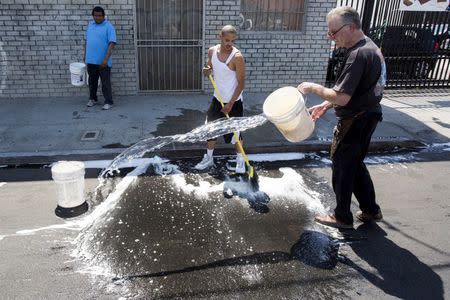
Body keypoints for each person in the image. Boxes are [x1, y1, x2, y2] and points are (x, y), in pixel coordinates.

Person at [298, 7, 386, 229]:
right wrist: (328, 104)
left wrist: (314, 88)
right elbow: (357, 90)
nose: (331, 37)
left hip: (355, 120)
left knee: (343, 167)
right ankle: (371, 210)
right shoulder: (370, 47)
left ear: (351, 27)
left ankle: (342, 216)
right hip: (368, 115)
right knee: (355, 165)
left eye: (333, 32)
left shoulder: (358, 54)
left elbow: (344, 97)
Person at [194, 25, 246, 174]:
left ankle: (240, 160)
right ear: (220, 37)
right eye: (227, 40)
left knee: (236, 134)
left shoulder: (237, 57)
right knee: (212, 130)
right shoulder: (212, 51)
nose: (230, 44)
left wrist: (230, 104)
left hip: (234, 102)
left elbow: (241, 83)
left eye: (233, 41)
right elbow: (209, 67)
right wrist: (206, 70)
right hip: (218, 99)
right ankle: (209, 158)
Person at [84, 6, 117, 110]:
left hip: (103, 61)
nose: (97, 18)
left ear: (103, 16)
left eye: (99, 16)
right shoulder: (90, 25)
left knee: (105, 83)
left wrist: (105, 59)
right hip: (91, 60)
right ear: (93, 16)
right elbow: (87, 41)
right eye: (95, 15)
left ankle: (108, 101)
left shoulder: (109, 26)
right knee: (92, 82)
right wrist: (85, 56)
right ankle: (93, 99)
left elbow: (112, 43)